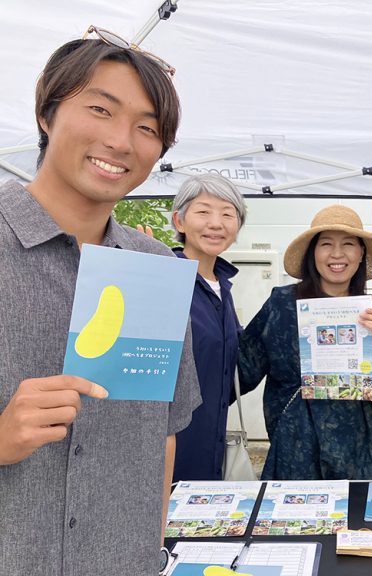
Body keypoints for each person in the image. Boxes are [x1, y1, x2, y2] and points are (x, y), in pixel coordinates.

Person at [0, 33, 200, 575]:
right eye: (100, 110)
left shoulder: (155, 268)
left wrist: (151, 549)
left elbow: (162, 430)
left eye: (147, 128)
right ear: (46, 112)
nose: (121, 141)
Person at [238, 205, 372, 479]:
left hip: (355, 451)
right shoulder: (282, 304)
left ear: (361, 253)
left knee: (354, 509)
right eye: (326, 244)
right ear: (313, 253)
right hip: (293, 449)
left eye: (348, 244)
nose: (337, 254)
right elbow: (243, 367)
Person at [170, 173, 248, 481]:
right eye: (203, 211)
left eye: (227, 214)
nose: (216, 224)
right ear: (179, 221)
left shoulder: (223, 287)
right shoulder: (164, 277)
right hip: (170, 446)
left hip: (211, 443)